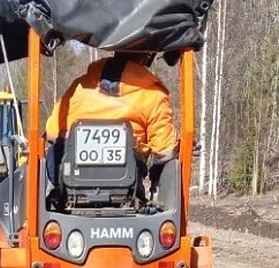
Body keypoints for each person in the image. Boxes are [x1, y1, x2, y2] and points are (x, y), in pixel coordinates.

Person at [45, 51, 179, 196]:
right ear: (146, 57)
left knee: (54, 155)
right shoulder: (154, 94)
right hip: (127, 185)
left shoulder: (79, 86)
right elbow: (166, 152)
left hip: (71, 179)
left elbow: (52, 133)